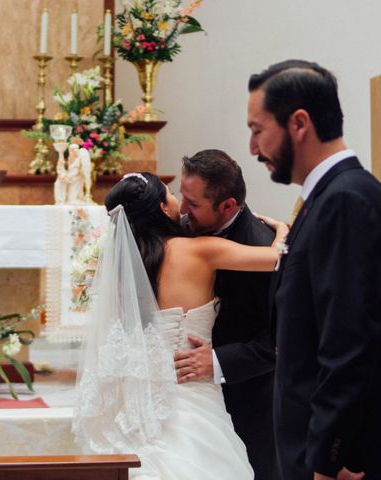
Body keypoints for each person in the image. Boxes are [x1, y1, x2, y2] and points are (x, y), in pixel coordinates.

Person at [72, 172, 289, 480]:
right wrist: (281, 228)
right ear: (162, 208)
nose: (180, 204)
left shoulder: (122, 268)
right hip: (193, 389)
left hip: (140, 395)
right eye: (171, 194)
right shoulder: (199, 250)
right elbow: (276, 258)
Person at [247, 60, 381, 480]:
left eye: (257, 129)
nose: (253, 148)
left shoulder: (346, 200)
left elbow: (349, 343)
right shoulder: (327, 197)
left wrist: (330, 458)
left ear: (299, 123)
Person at [176, 149, 276, 480]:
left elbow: (279, 341)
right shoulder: (185, 229)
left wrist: (218, 361)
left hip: (249, 398)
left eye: (192, 203)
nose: (182, 209)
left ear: (227, 206)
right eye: (181, 195)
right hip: (192, 398)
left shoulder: (262, 248)